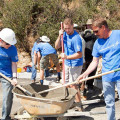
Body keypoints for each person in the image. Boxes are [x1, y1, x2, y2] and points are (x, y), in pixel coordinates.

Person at [77, 17, 120, 120]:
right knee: (109, 102)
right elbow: (95, 62)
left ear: (103, 27)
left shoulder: (118, 34)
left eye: (96, 31)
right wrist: (84, 75)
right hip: (106, 77)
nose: (95, 33)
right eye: (94, 31)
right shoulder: (97, 43)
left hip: (119, 75)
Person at [55, 18, 83, 111]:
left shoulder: (76, 38)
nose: (67, 30)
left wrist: (67, 57)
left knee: (73, 85)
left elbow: (79, 54)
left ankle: (79, 104)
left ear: (72, 26)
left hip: (75, 64)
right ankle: (71, 102)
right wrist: (59, 36)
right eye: (65, 28)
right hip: (67, 63)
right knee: (65, 83)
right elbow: (56, 46)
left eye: (69, 28)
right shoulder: (64, 34)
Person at [0, 28, 18, 120]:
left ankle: (5, 117)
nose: (9, 45)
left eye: (10, 43)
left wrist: (14, 78)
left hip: (7, 74)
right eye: (7, 43)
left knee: (7, 96)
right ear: (1, 41)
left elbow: (14, 64)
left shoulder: (12, 49)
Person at [82, 19, 97, 93]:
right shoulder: (82, 34)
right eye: (88, 25)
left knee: (92, 72)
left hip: (93, 56)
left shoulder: (95, 34)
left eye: (91, 25)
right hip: (84, 57)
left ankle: (90, 86)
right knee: (83, 72)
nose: (89, 26)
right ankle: (82, 88)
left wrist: (93, 35)